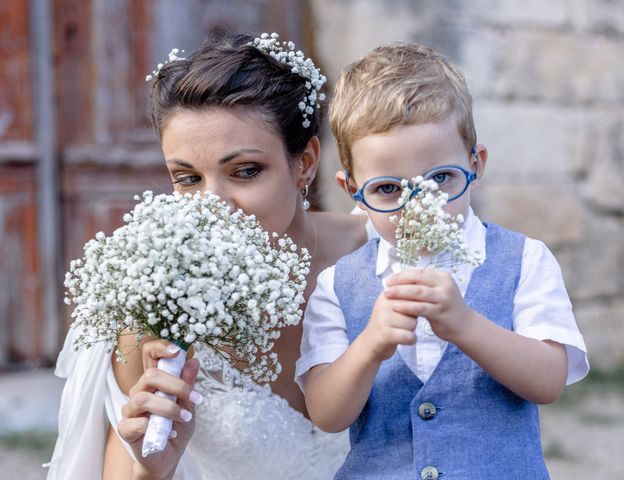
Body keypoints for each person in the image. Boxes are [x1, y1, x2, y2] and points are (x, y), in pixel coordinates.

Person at [46, 32, 370, 480]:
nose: (213, 205)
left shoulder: (380, 256)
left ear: (306, 162)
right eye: (187, 178)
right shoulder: (153, 313)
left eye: (245, 171)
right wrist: (152, 468)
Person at [295, 42, 590, 479]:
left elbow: (548, 382)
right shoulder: (339, 284)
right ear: (351, 186)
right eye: (388, 189)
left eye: (440, 179)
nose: (418, 207)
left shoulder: (524, 259)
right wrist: (371, 345)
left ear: (476, 164)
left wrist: (466, 326)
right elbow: (326, 413)